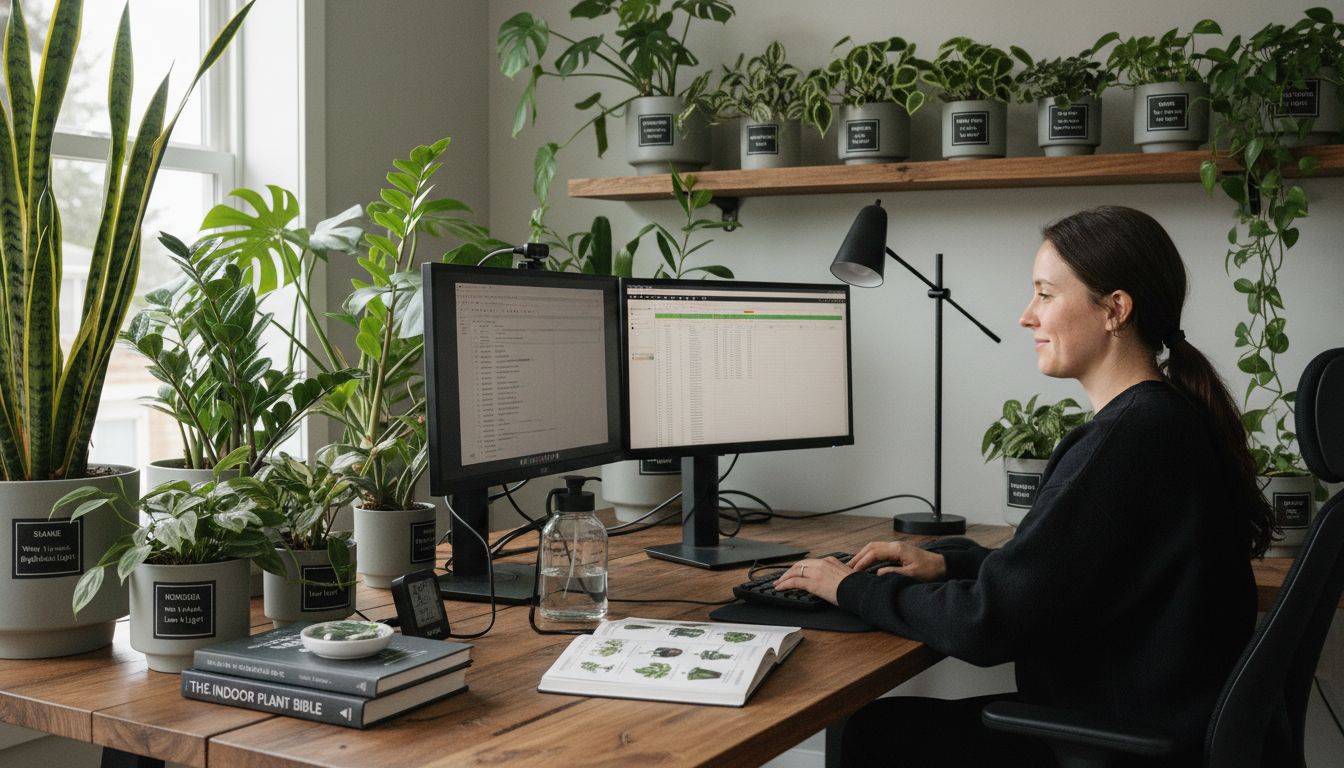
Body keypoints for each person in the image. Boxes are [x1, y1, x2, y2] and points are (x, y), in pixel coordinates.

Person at [774, 205, 1276, 767]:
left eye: (1044, 294)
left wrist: (849, 588)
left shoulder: (1126, 442)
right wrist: (950, 563)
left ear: (1115, 309)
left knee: (870, 733)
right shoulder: (1166, 420)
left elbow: (988, 626)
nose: (1025, 317)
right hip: (1146, 719)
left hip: (1112, 738)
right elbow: (1063, 573)